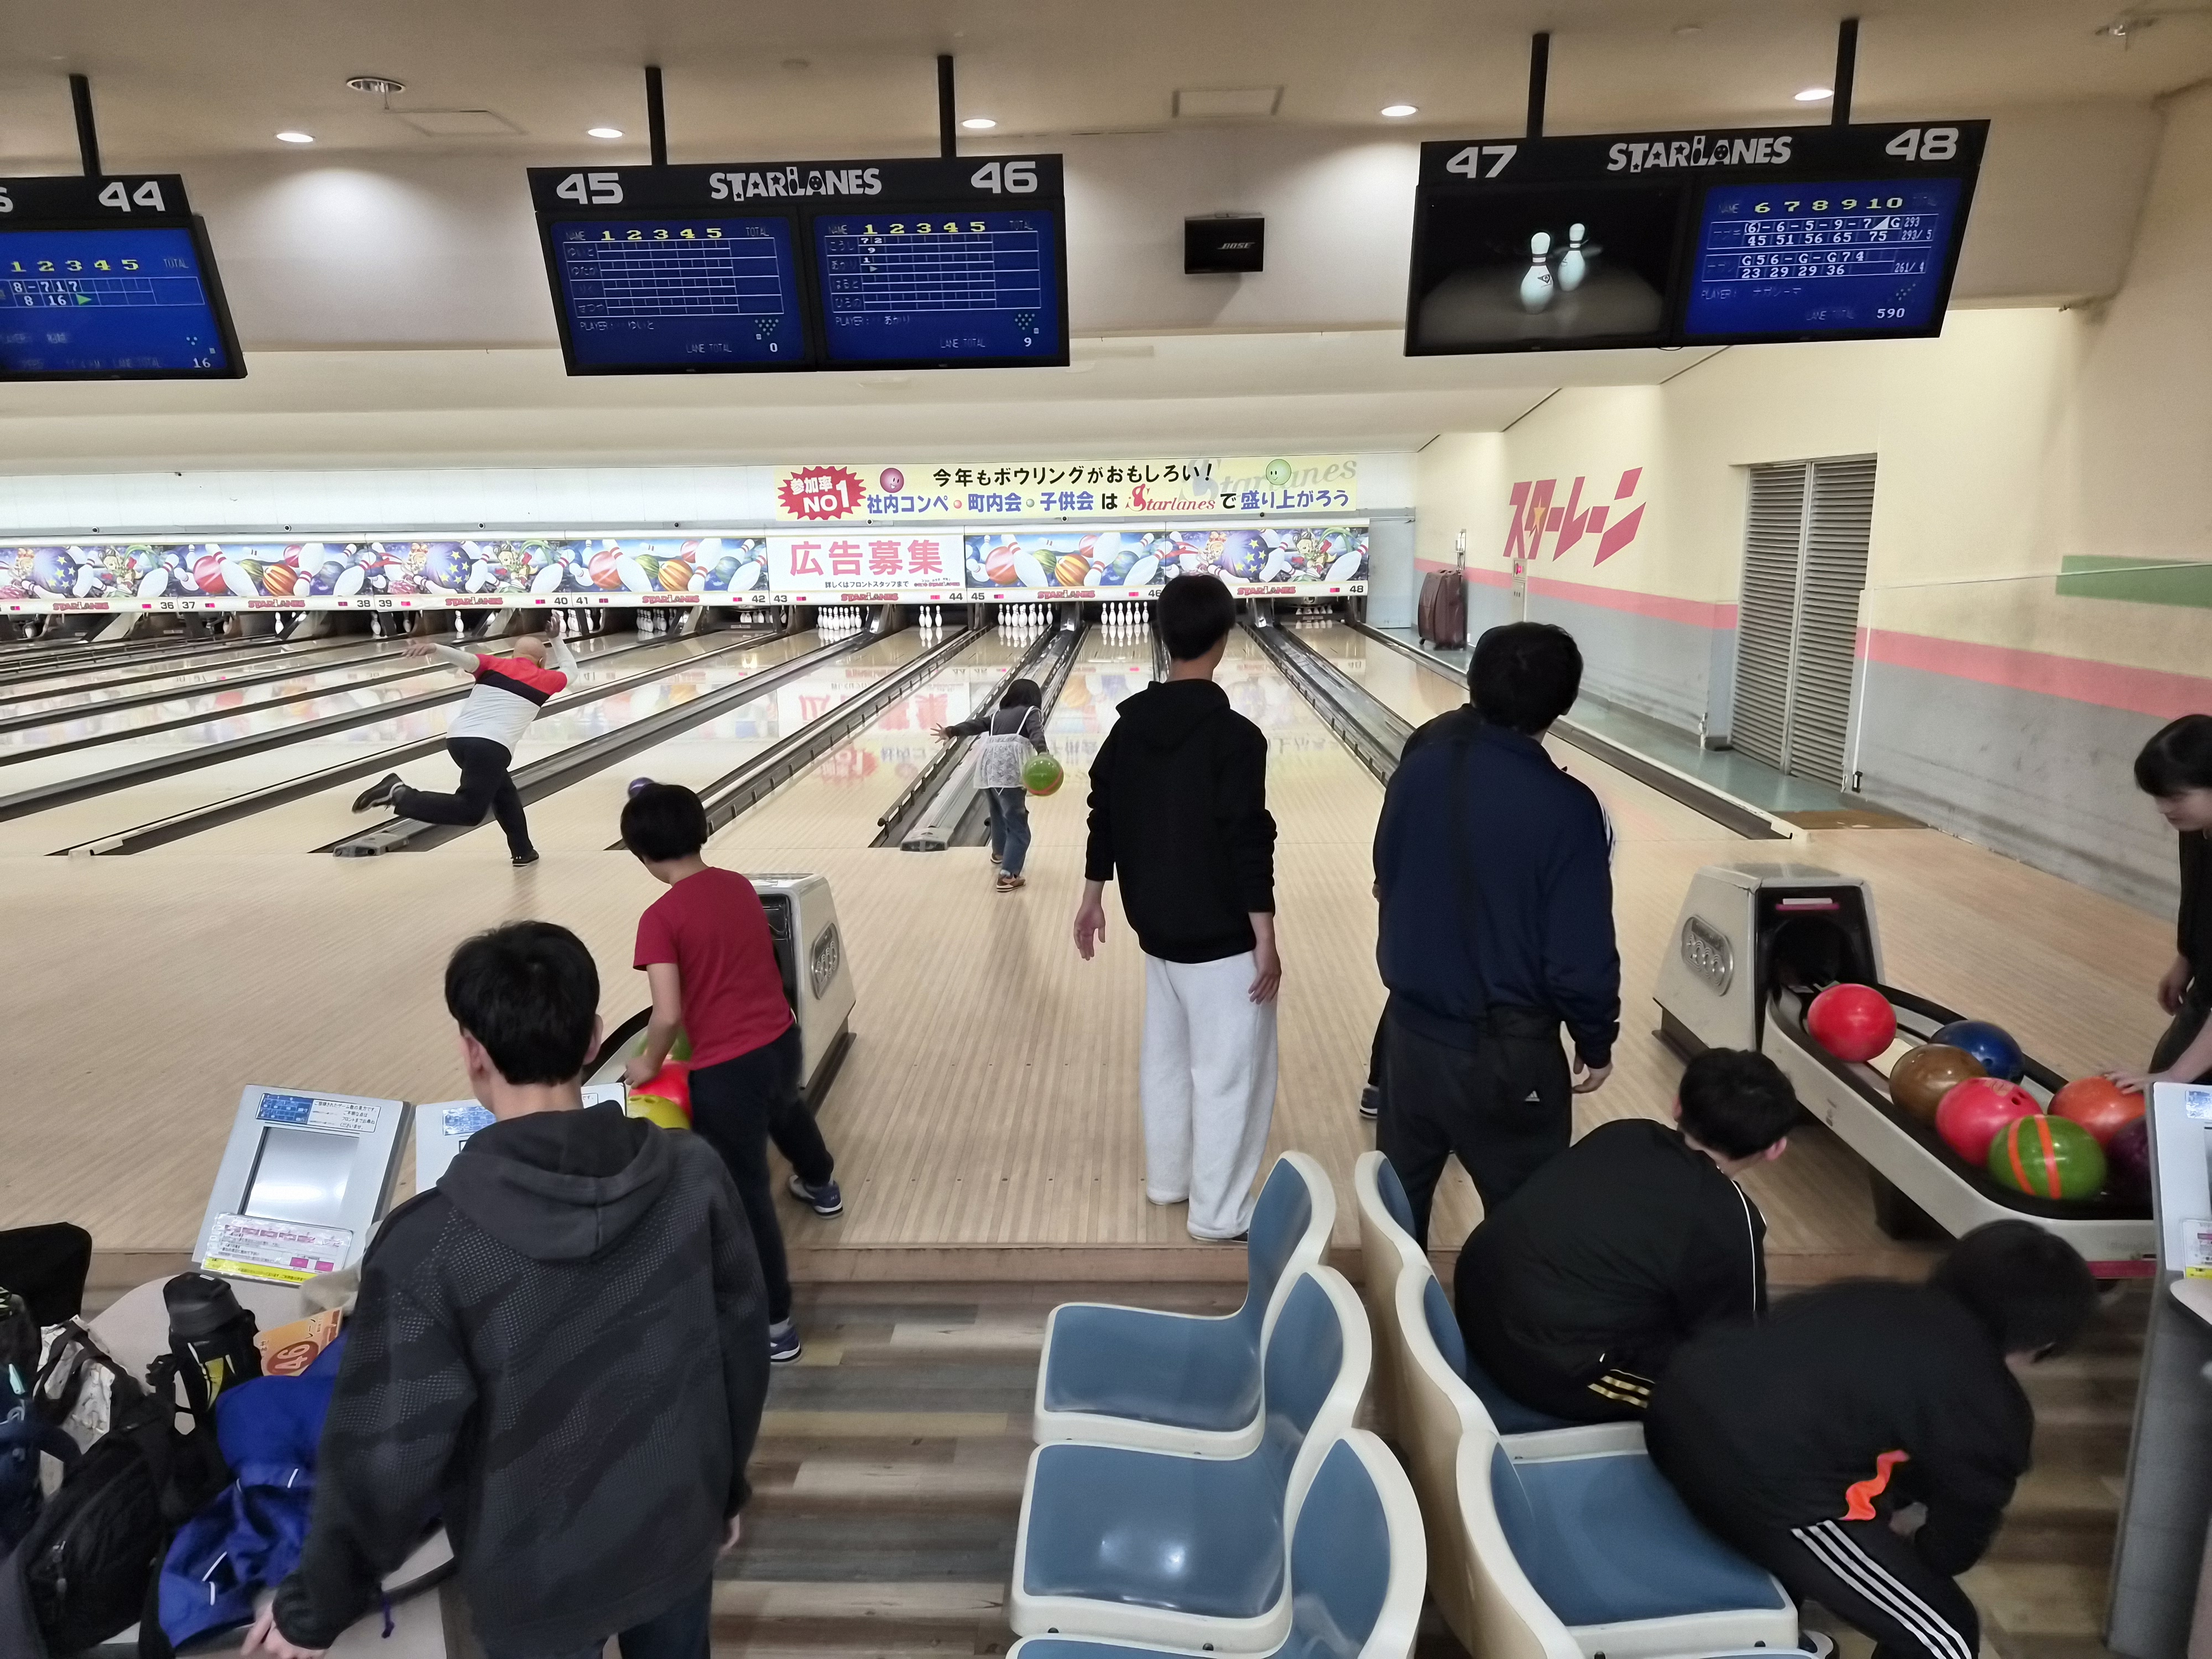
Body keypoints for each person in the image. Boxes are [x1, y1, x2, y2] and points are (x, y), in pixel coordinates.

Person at [246, 921, 769, 1659]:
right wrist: (725, 1490)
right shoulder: (694, 1174)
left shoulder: (430, 1247)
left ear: (473, 1051)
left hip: (535, 1580)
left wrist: (314, 1608)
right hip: (676, 1529)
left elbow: (388, 1454)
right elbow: (741, 1350)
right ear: (594, 1038)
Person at [1646, 1220, 2096, 1659]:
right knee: (1945, 1636)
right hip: (1748, 1478)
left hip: (1677, 1409)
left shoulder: (1869, 1296)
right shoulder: (1990, 1406)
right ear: (2044, 1341)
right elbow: (1953, 1549)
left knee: (1880, 1472)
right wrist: (1912, 1548)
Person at [1370, 620, 1620, 1242]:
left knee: (1397, 1215)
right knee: (1525, 1228)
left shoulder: (1415, 774)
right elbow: (1579, 952)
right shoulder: (1567, 807)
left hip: (1410, 1039)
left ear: (1472, 683)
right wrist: (1595, 1037)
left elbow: (1385, 876)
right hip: (1509, 1055)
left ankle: (1396, 1307)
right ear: (1564, 702)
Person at [1074, 573, 1280, 1241]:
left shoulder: (1128, 728)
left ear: (1163, 636)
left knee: (1165, 1061)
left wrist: (1092, 896)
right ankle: (1219, 1213)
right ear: (1224, 638)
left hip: (1157, 933)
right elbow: (1247, 839)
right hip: (1221, 940)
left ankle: (1170, 1181)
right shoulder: (1236, 738)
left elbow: (1102, 809)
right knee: (1229, 1077)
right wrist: (1264, 935)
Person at [1454, 1046, 1797, 1422]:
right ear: (1775, 1148)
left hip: (1474, 1305)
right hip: (1541, 1365)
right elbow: (1738, 1348)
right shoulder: (1728, 1218)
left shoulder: (1626, 1133)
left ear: (1677, 1106)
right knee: (1723, 1393)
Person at [622, 781, 839, 1366]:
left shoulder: (659, 917)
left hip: (725, 1069)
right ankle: (822, 1185)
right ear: (702, 830)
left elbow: (667, 1013)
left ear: (641, 854)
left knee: (746, 1191)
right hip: (780, 1038)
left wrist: (649, 1062)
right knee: (787, 1110)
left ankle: (777, 1324)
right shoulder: (739, 885)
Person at [349, 624, 580, 867]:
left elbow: (466, 659)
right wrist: (556, 639)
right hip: (490, 746)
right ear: (542, 661)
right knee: (470, 812)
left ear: (514, 655)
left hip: (458, 740)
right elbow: (571, 671)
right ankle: (399, 794)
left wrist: (435, 647)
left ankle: (523, 850)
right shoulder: (547, 679)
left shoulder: (493, 664)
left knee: (504, 793)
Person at [2113, 713, 2212, 1091]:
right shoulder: (2198, 828)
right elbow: (2200, 898)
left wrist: (2175, 1078)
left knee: (2174, 1096)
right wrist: (2186, 958)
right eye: (2158, 796)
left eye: (2176, 797)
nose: (2163, 808)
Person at [936, 677, 1051, 893]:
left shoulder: (998, 715)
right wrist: (1044, 753)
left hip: (988, 770)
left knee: (997, 813)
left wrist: (952, 730)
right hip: (1009, 771)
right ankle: (1008, 876)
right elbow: (1037, 732)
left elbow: (976, 724)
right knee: (1018, 825)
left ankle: (999, 853)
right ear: (1034, 697)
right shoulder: (1031, 712)